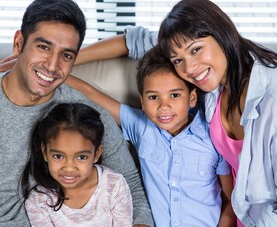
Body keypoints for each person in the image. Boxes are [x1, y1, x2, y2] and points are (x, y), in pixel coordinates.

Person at [0, 0, 277, 226]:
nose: (190, 68)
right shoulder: (208, 84)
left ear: (222, 33)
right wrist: (63, 62)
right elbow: (135, 42)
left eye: (197, 50)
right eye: (178, 60)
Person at [0, 0, 152, 227]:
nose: (51, 65)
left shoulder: (85, 114)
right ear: (18, 43)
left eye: (66, 55)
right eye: (43, 47)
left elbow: (133, 189)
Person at [66, 44, 235, 227]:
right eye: (153, 97)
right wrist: (54, 73)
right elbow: (90, 94)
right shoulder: (140, 126)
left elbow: (230, 201)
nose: (164, 106)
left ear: (192, 98)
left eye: (175, 95)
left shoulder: (213, 135)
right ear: (143, 102)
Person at [22, 102, 133, 227]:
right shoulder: (39, 201)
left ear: (96, 154)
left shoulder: (113, 185)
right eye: (58, 156)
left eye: (81, 157)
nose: (69, 168)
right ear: (45, 152)